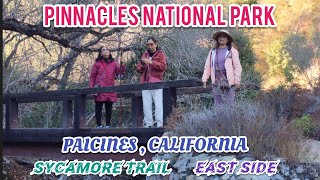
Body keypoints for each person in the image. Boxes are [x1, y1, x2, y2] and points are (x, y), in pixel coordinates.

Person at [202, 30, 242, 107]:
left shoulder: (232, 51)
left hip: (229, 82)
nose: (222, 38)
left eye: (224, 36)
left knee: (230, 105)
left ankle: (232, 119)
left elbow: (237, 66)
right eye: (220, 36)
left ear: (228, 39)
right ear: (217, 39)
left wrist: (237, 81)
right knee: (218, 106)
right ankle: (220, 119)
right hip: (216, 83)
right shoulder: (212, 51)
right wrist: (204, 79)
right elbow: (208, 66)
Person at [89, 47, 125, 128]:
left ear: (109, 52)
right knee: (98, 107)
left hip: (110, 87)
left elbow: (120, 74)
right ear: (101, 53)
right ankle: (99, 125)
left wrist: (122, 64)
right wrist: (91, 88)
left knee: (109, 107)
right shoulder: (97, 63)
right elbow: (92, 76)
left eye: (107, 49)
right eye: (103, 50)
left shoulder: (114, 63)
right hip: (99, 88)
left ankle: (108, 125)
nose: (105, 51)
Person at [136, 37, 167, 128]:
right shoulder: (144, 54)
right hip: (145, 82)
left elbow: (163, 67)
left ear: (156, 44)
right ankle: (148, 124)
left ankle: (159, 124)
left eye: (151, 44)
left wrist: (151, 62)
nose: (150, 46)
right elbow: (138, 68)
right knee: (146, 104)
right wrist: (142, 66)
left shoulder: (161, 54)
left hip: (156, 81)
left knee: (158, 104)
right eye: (148, 44)